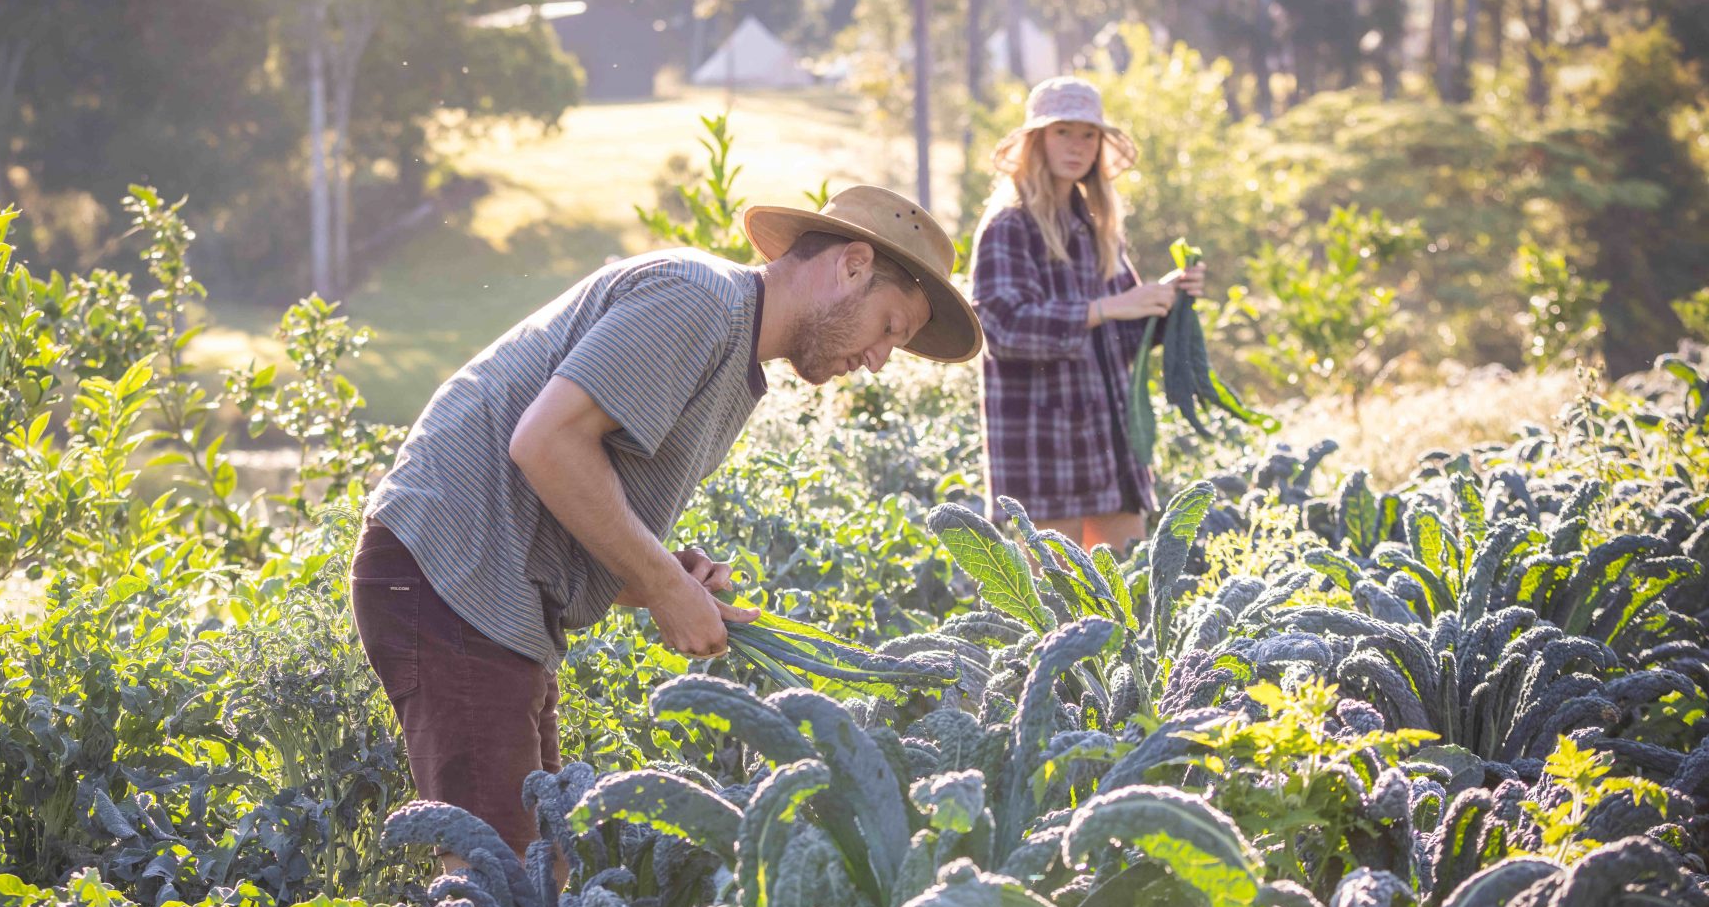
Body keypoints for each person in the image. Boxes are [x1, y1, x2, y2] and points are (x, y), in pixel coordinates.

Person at [352, 186, 983, 866]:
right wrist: (661, 586)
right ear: (852, 266)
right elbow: (544, 443)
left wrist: (669, 575)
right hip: (453, 571)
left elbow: (579, 501)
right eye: (889, 328)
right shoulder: (698, 298)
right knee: (496, 876)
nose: (878, 360)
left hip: (490, 591)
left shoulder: (733, 352)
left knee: (540, 869)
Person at [967, 76, 1206, 552]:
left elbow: (1122, 335)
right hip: (1044, 445)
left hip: (1110, 441)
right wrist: (1105, 308)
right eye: (1063, 132)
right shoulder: (1009, 225)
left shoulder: (1096, 226)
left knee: (1130, 583)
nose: (1077, 146)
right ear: (1037, 140)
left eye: (1088, 135)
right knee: (1057, 592)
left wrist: (1167, 300)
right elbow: (1003, 329)